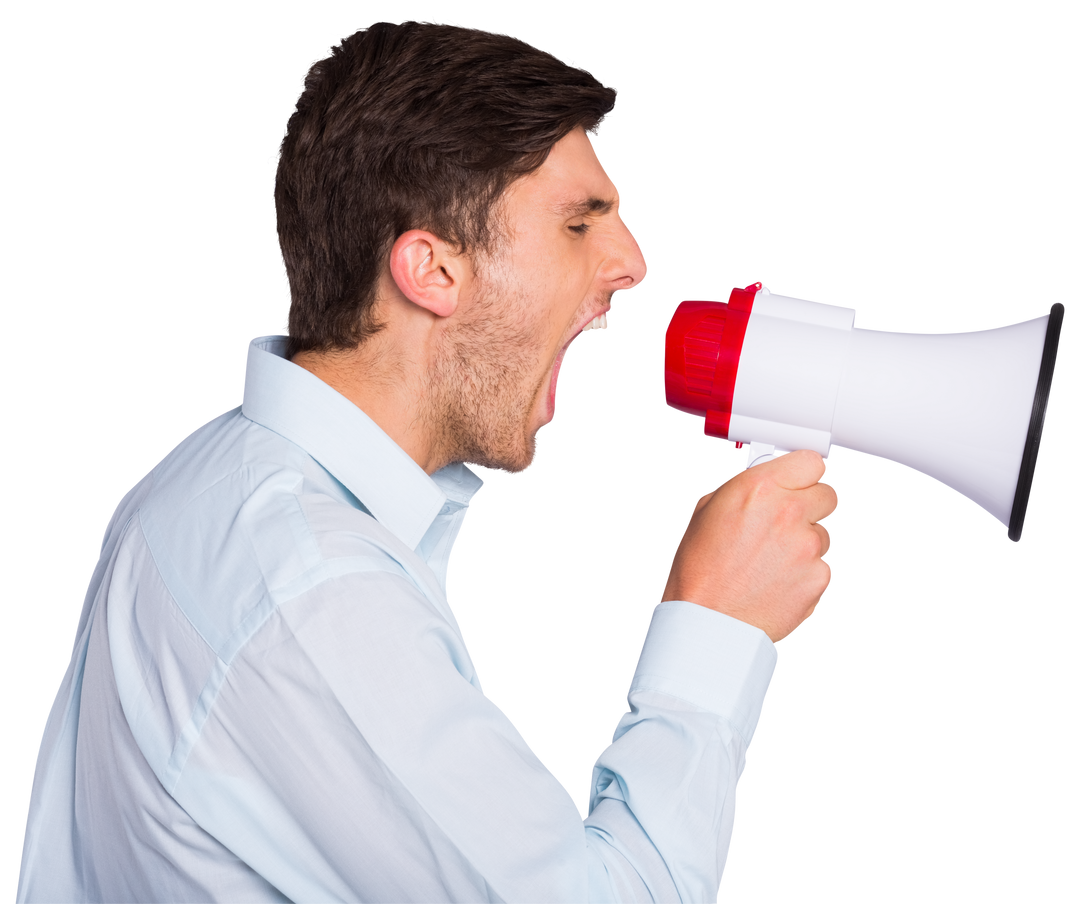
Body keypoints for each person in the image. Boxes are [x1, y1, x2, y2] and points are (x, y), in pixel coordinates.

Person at [15, 17, 839, 902]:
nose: (633, 262)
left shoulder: (212, 473)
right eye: (577, 224)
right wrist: (715, 623)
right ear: (432, 270)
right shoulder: (313, 598)